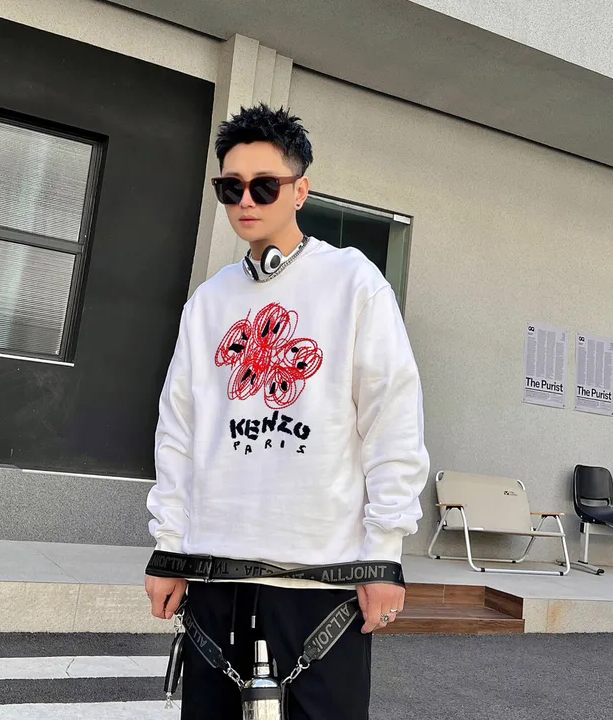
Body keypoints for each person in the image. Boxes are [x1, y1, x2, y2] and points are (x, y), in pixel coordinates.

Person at [145, 103, 429, 720]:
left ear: (300, 190)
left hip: (320, 581)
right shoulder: (209, 301)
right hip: (216, 573)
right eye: (231, 188)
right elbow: (179, 431)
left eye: (264, 185)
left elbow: (391, 421)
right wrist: (169, 548)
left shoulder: (354, 283)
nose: (246, 200)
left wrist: (384, 554)